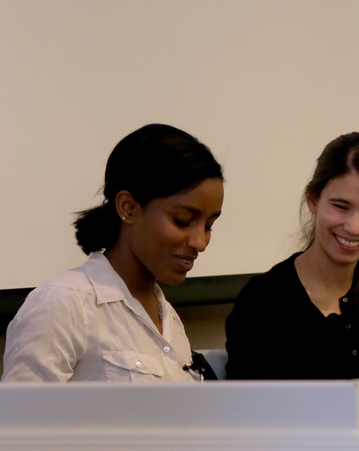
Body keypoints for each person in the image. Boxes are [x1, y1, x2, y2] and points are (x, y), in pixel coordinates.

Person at [2, 124, 224, 382]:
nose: (200, 242)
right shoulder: (63, 305)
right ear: (128, 208)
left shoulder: (170, 319)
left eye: (208, 226)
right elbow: (23, 408)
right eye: (182, 220)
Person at [225, 132, 359, 379]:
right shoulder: (261, 301)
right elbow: (249, 401)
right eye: (340, 207)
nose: (354, 228)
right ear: (313, 199)